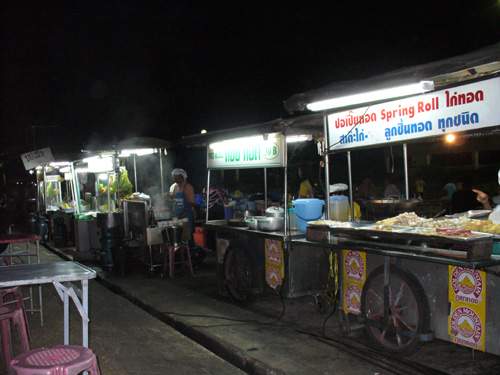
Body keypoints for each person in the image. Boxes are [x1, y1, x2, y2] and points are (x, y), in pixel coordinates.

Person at [169, 168, 196, 238]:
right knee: (176, 237)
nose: (174, 179)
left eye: (176, 177)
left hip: (186, 217)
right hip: (176, 216)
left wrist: (183, 210)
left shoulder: (188, 187)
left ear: (182, 177)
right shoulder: (173, 187)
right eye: (173, 177)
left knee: (186, 238)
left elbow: (192, 203)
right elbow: (172, 200)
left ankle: (189, 248)